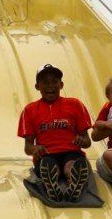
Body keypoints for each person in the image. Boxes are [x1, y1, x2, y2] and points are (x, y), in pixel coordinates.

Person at [17, 64, 93, 202]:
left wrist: (82, 140)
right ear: (37, 86)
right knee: (49, 164)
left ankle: (73, 182)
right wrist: (35, 148)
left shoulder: (75, 104)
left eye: (54, 81)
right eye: (45, 82)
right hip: (46, 154)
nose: (50, 85)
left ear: (61, 84)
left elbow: (87, 142)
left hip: (71, 151)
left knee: (72, 164)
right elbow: (28, 148)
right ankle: (52, 183)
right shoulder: (30, 110)